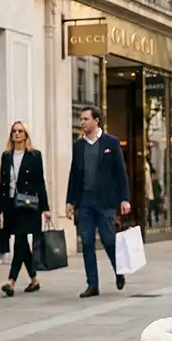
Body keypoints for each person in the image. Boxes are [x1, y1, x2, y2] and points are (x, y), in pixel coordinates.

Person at [65, 105, 131, 298]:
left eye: (85, 119)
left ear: (96, 120)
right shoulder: (78, 146)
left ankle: (119, 270)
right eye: (81, 119)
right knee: (86, 242)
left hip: (106, 202)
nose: (82, 122)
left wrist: (124, 199)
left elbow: (121, 173)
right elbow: (74, 175)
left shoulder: (111, 143)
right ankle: (92, 284)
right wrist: (70, 202)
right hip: (85, 201)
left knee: (108, 239)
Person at [0, 121, 50, 297]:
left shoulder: (34, 155)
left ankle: (11, 281)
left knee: (19, 241)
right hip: (11, 205)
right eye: (14, 131)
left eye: (20, 131)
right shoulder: (6, 156)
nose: (17, 134)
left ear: (26, 135)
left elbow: (40, 183)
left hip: (28, 205)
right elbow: (2, 185)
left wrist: (45, 208)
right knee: (22, 243)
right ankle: (34, 279)